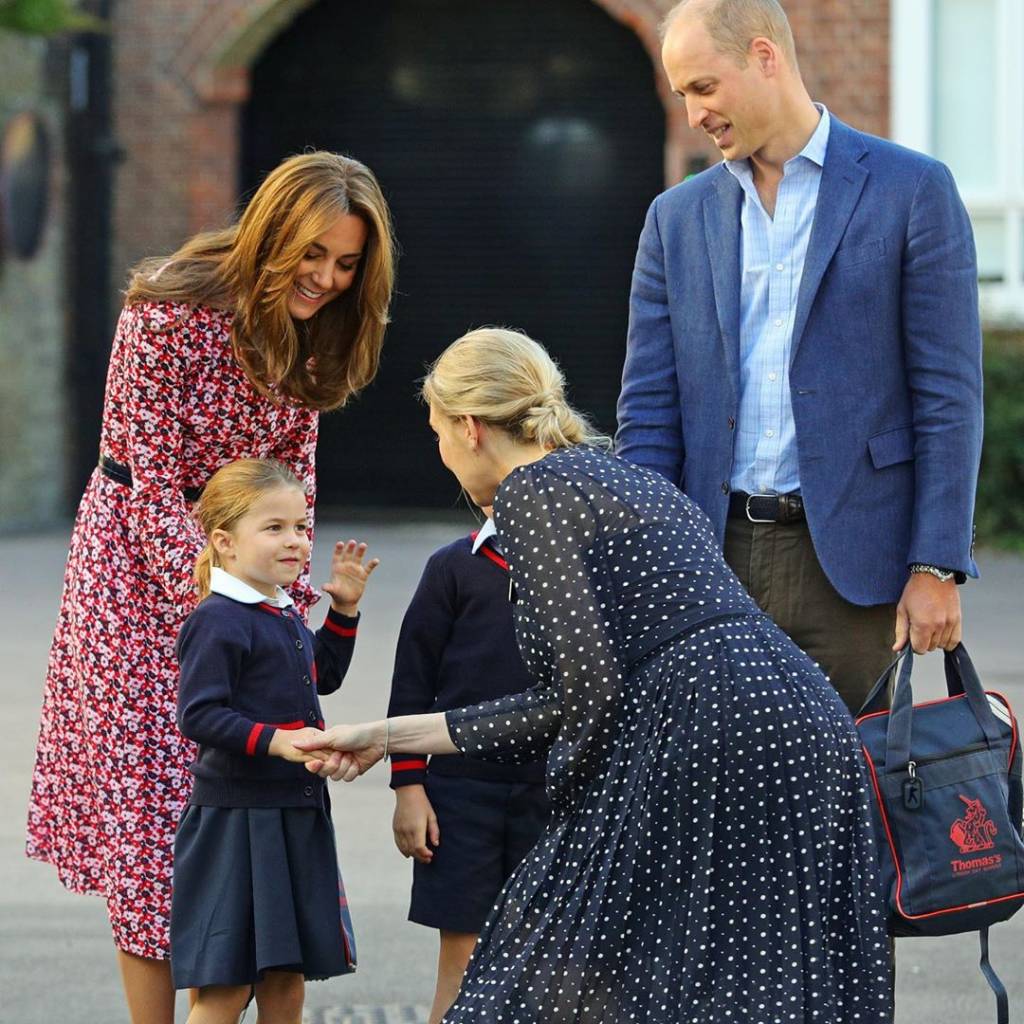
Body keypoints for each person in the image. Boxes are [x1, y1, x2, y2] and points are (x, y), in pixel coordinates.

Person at [296, 327, 893, 1023]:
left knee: (535, 973)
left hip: (706, 728)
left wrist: (563, 805)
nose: (440, 453)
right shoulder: (626, 477)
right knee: (759, 981)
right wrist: (393, 735)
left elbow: (584, 697)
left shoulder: (532, 493)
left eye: (436, 432)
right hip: (801, 715)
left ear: (469, 428)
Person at [25, 151, 395, 1023]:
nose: (326, 279)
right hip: (136, 573)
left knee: (248, 808)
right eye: (313, 255)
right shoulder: (167, 308)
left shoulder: (318, 329)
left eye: (346, 266)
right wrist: (225, 611)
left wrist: (289, 617)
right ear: (272, 231)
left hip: (244, 565)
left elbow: (293, 477)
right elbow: (150, 482)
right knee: (152, 831)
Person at [615, 0, 983, 712]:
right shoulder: (675, 219)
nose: (692, 114)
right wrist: (648, 564)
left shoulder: (911, 190)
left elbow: (949, 396)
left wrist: (935, 563)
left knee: (855, 803)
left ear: (764, 56)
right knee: (723, 802)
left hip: (855, 568)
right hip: (710, 561)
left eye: (703, 88)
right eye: (682, 94)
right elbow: (650, 414)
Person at [171, 458, 377, 1024]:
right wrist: (279, 743)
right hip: (237, 823)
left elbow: (321, 674)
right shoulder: (218, 619)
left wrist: (344, 610)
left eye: (301, 526)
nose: (296, 541)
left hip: (293, 814)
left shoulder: (279, 612)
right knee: (227, 986)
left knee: (287, 983)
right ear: (224, 541)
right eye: (275, 528)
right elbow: (201, 715)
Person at [386, 507, 550, 1024]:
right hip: (460, 793)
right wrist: (409, 787)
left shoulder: (588, 566)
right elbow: (412, 682)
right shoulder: (452, 567)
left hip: (558, 793)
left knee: (550, 963)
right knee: (463, 958)